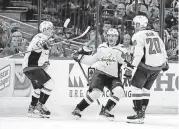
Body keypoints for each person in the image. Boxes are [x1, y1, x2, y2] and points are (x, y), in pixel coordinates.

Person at [71, 28, 133, 120]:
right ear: (107, 37)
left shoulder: (122, 50)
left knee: (119, 91)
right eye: (109, 36)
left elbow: (128, 63)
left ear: (117, 38)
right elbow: (92, 60)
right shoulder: (101, 47)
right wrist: (80, 58)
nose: (111, 38)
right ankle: (78, 109)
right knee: (96, 93)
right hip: (100, 74)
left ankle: (106, 110)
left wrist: (129, 70)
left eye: (114, 36)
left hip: (113, 77)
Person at [125, 15, 168, 124]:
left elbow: (138, 54)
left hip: (146, 66)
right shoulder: (155, 33)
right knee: (145, 90)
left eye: (135, 24)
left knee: (135, 87)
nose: (134, 26)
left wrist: (130, 67)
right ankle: (142, 113)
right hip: (158, 67)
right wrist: (165, 61)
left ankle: (139, 115)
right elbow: (163, 49)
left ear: (138, 24)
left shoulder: (137, 35)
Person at [22, 21, 55, 118]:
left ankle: (31, 109)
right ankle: (39, 106)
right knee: (50, 84)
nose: (52, 30)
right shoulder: (40, 37)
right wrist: (44, 42)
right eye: (50, 28)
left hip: (29, 68)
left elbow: (42, 53)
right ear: (45, 30)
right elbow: (38, 44)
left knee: (38, 89)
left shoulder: (44, 38)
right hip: (32, 67)